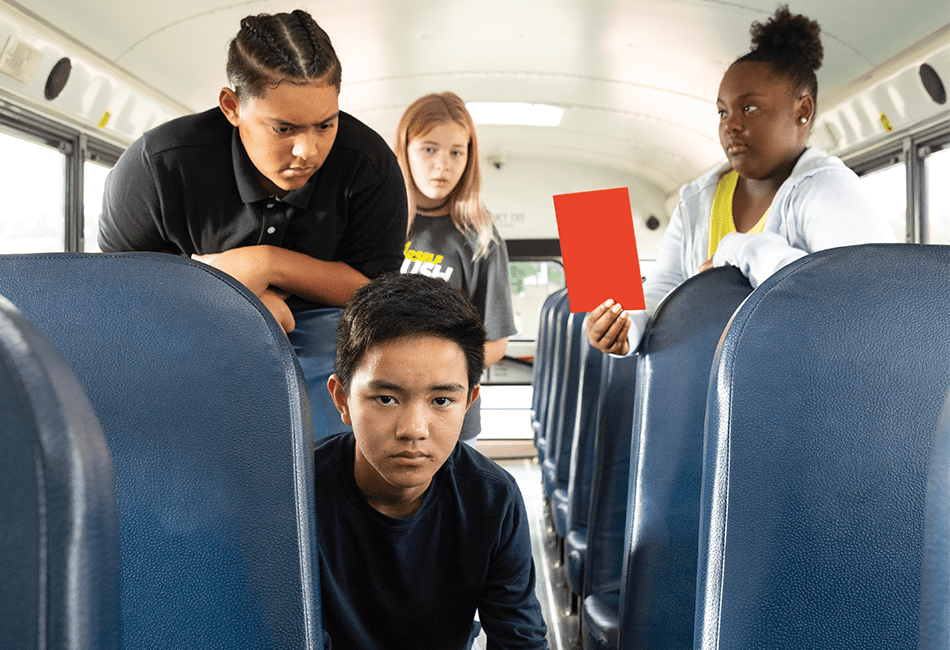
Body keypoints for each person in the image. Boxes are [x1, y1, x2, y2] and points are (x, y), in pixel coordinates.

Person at [98, 10, 407, 438]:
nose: (308, 150)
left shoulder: (370, 166)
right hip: (184, 321)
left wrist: (266, 264)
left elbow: (377, 292)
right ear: (232, 106)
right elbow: (117, 290)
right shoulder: (157, 165)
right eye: (284, 128)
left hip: (323, 329)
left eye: (325, 124)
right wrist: (237, 303)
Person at [587, 5, 893, 356]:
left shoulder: (828, 189)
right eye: (723, 111)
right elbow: (663, 293)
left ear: (803, 110)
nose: (730, 124)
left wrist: (740, 248)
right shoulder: (696, 200)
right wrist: (628, 328)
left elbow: (859, 306)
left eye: (748, 108)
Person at [316, 273, 549, 650]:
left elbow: (519, 639)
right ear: (342, 399)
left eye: (441, 401)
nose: (414, 430)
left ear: (469, 402)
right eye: (386, 399)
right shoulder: (295, 496)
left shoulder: (493, 499)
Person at [394, 92, 518, 446]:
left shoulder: (480, 235)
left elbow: (495, 342)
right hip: (381, 411)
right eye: (429, 149)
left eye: (455, 152)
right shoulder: (377, 224)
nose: (442, 165)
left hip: (451, 419)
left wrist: (437, 374)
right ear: (405, 150)